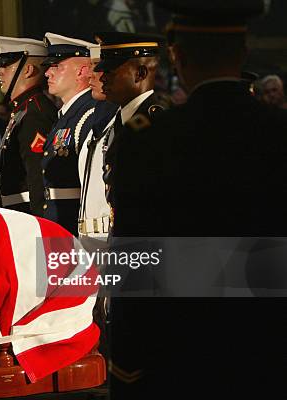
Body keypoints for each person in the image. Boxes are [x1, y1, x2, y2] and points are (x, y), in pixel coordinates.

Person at [108, 1, 287, 398]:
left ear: (179, 56)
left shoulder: (148, 138)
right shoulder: (278, 133)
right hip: (270, 346)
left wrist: (126, 363)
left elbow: (135, 259)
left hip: (178, 348)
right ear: (243, 53)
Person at [92, 31, 165, 237]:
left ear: (140, 74)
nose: (102, 77)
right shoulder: (121, 119)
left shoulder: (155, 123)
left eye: (111, 71)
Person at [41, 33, 109, 235]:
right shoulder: (68, 114)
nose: (47, 73)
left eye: (57, 66)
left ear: (83, 71)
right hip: (59, 225)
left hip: (75, 229)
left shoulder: (90, 113)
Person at [0, 36, 56, 215]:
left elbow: (38, 176)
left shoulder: (35, 113)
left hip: (29, 213)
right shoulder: (24, 109)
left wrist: (40, 224)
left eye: (6, 65)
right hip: (20, 212)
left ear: (28, 70)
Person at [78, 46, 119, 240]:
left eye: (99, 67)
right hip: (89, 237)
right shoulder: (98, 121)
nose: (91, 76)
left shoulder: (123, 121)